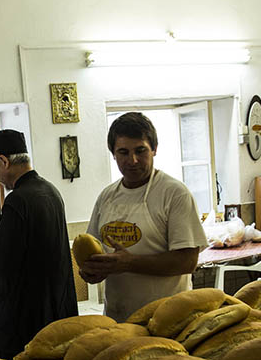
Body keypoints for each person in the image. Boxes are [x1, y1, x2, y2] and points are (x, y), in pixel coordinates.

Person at [79, 112, 208, 322]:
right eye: (123, 152)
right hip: (118, 318)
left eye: (141, 150)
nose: (132, 160)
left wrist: (129, 263)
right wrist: (93, 271)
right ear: (113, 154)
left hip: (169, 319)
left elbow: (187, 261)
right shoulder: (107, 197)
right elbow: (94, 249)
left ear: (154, 149)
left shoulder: (174, 193)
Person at [0, 129, 78, 360]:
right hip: (54, 312)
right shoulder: (50, 190)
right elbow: (28, 243)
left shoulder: (18, 199)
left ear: (3, 161)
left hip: (23, 319)